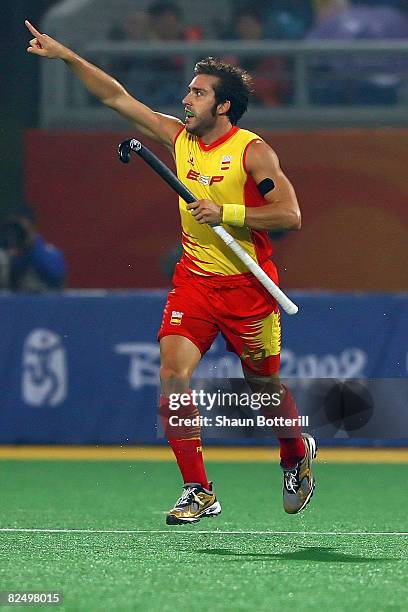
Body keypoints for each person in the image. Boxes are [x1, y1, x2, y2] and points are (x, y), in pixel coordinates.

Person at [25, 19, 316, 523]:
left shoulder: (252, 152)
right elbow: (117, 98)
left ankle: (295, 454)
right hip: (196, 281)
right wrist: (69, 57)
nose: (187, 99)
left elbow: (290, 215)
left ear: (223, 106)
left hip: (248, 285)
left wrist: (226, 213)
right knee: (172, 374)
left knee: (262, 388)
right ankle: (198, 488)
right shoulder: (177, 138)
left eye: (199, 93)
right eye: (188, 90)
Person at [0, 207, 66, 292]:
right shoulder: (7, 256)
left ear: (32, 228)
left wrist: (33, 246)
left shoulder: (51, 252)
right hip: (16, 303)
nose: (18, 234)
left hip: (47, 303)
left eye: (21, 230)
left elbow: (54, 277)